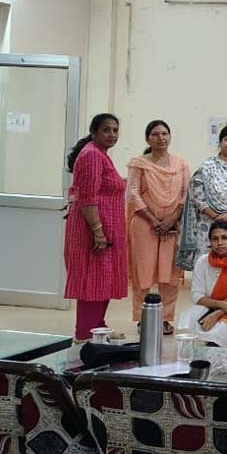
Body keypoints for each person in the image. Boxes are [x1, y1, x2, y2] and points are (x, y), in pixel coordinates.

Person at [64, 114, 128, 342]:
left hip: (105, 228)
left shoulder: (100, 154)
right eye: (106, 130)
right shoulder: (91, 155)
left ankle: (99, 328)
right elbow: (88, 198)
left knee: (103, 279)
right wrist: (97, 231)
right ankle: (84, 335)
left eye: (115, 130)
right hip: (91, 230)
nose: (112, 134)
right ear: (94, 132)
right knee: (92, 281)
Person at [126, 120, 190, 335]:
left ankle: (164, 319)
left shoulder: (180, 164)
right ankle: (143, 318)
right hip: (144, 225)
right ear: (147, 139)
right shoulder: (138, 164)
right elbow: (132, 193)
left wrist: (172, 218)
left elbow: (186, 194)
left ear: (169, 137)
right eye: (155, 134)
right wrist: (153, 220)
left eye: (164, 133)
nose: (161, 138)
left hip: (172, 226)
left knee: (170, 275)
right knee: (143, 274)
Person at [177, 124, 227, 272]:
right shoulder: (206, 168)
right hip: (209, 225)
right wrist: (217, 217)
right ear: (220, 142)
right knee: (209, 270)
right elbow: (198, 196)